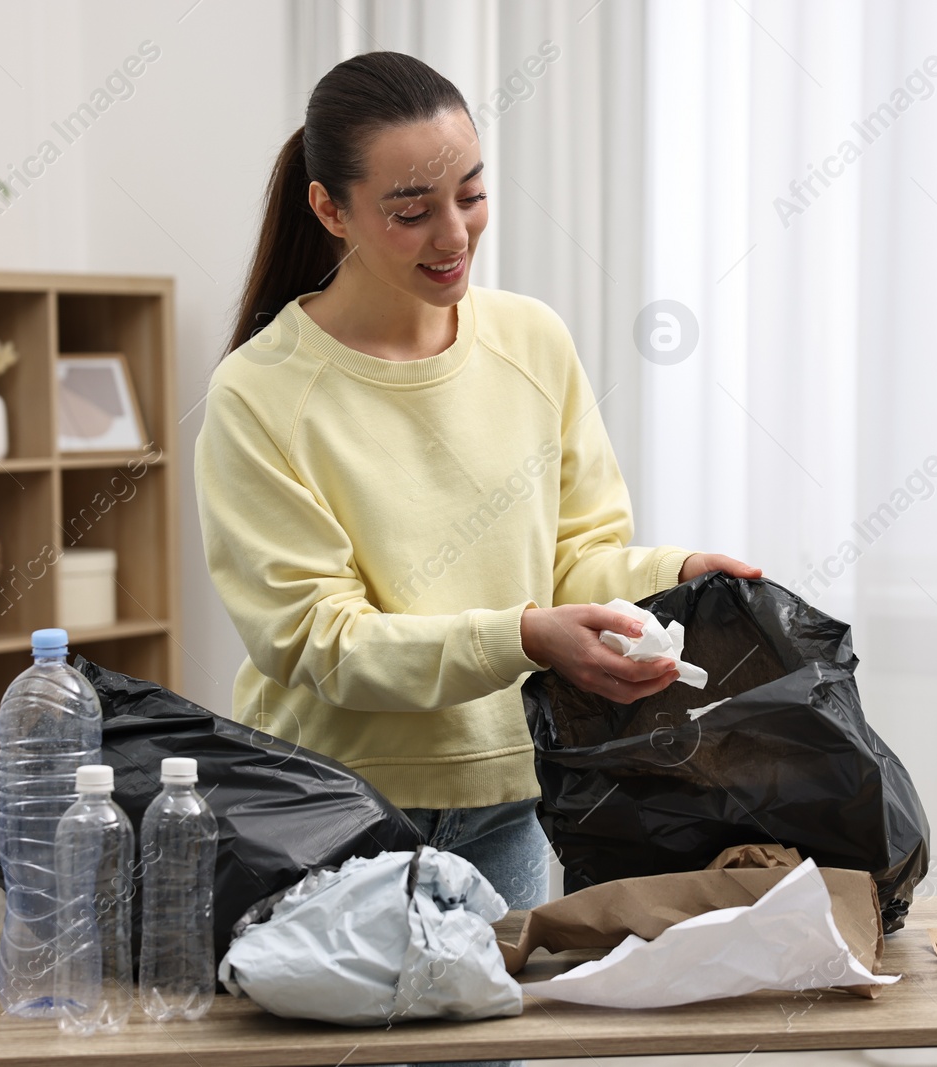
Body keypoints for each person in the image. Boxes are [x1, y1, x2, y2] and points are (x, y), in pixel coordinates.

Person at [195, 49, 760, 1055]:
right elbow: (317, 640)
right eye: (411, 209)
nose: (453, 234)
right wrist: (525, 634)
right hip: (331, 815)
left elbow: (574, 557)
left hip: (504, 794)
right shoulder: (259, 394)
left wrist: (671, 580)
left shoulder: (530, 341)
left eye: (471, 193)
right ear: (330, 209)